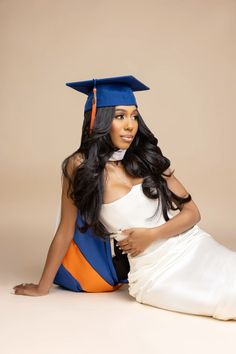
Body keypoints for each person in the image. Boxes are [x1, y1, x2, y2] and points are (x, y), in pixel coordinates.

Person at [12, 75, 236, 322]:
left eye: (134, 116)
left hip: (195, 247)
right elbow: (65, 231)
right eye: (120, 116)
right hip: (155, 274)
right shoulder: (79, 166)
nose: (130, 125)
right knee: (226, 301)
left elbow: (193, 213)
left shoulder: (147, 159)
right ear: (100, 120)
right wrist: (42, 287)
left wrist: (151, 235)